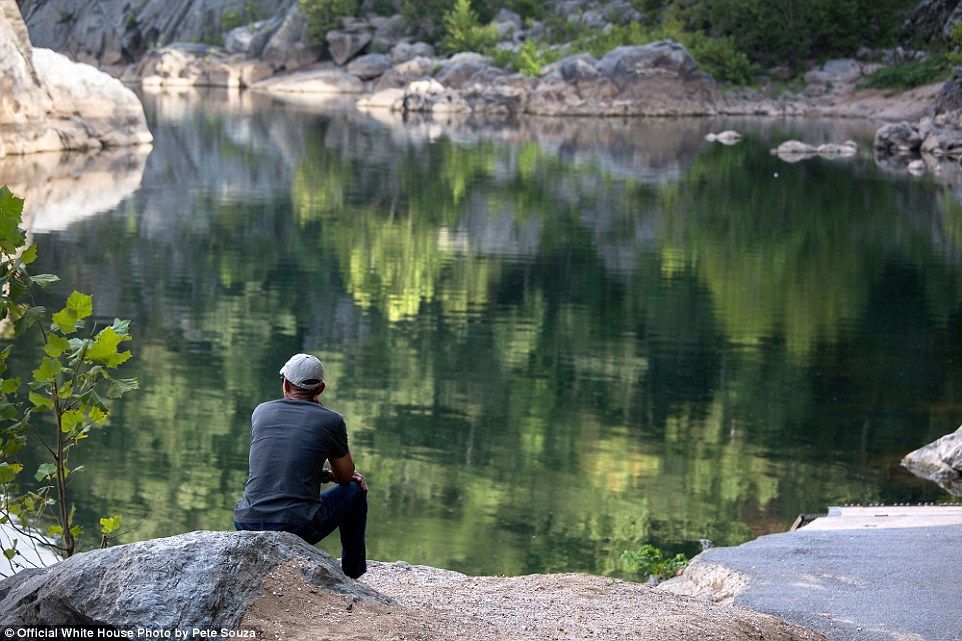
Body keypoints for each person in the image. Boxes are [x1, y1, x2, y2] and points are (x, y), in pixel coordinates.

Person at [234, 353, 368, 579]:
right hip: (296, 527)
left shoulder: (261, 411)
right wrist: (331, 475)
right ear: (320, 389)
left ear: (286, 384)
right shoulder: (331, 420)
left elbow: (277, 463)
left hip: (246, 521)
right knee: (355, 489)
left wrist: (324, 475)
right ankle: (352, 574)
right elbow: (346, 477)